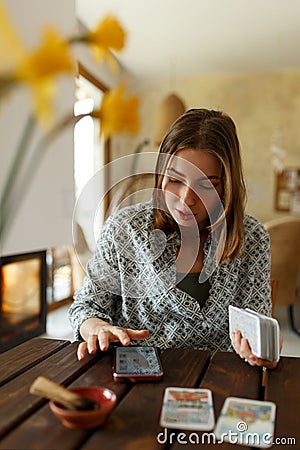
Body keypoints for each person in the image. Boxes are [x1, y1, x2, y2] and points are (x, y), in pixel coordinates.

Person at [69, 108, 280, 369]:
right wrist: (97, 328)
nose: (186, 199)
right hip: (137, 379)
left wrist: (263, 351)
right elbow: (85, 308)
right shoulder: (124, 229)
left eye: (206, 185)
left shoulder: (253, 238)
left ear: (227, 185)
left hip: (220, 379)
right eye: (175, 180)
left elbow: (259, 329)